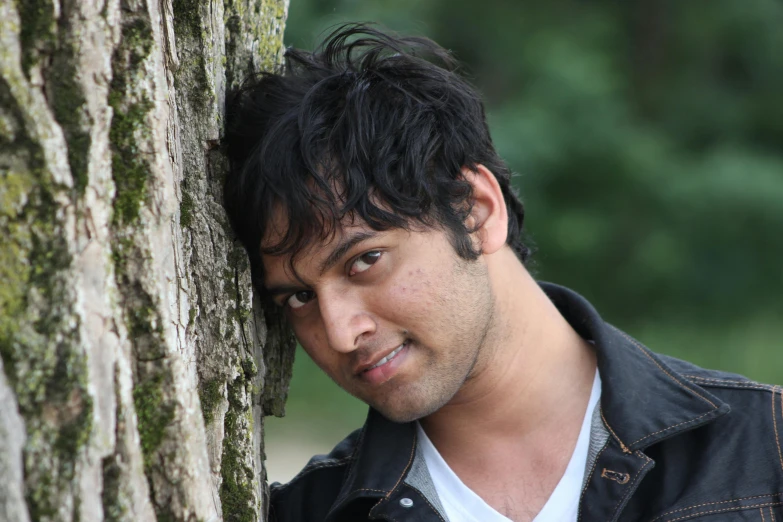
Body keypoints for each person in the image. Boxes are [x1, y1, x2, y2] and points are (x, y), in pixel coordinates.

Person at [223, 23, 783, 522]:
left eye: (365, 260)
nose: (341, 332)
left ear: (475, 211)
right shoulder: (308, 512)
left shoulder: (765, 447)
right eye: (298, 297)